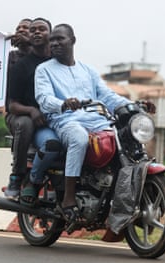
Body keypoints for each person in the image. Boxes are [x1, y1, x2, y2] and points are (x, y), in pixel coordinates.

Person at [34, 24, 133, 221]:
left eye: (59, 39)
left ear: (73, 40)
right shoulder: (44, 69)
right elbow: (43, 99)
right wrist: (63, 103)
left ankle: (114, 193)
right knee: (79, 139)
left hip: (96, 119)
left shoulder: (88, 70)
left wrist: (133, 106)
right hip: (64, 120)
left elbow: (107, 96)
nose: (54, 43)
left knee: (125, 136)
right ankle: (69, 198)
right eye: (52, 40)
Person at [4, 18, 61, 206]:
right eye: (32, 30)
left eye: (41, 29)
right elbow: (12, 104)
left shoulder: (59, 63)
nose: (35, 32)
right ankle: (17, 177)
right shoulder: (18, 62)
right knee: (26, 123)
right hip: (21, 115)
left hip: (51, 116)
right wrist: (32, 111)